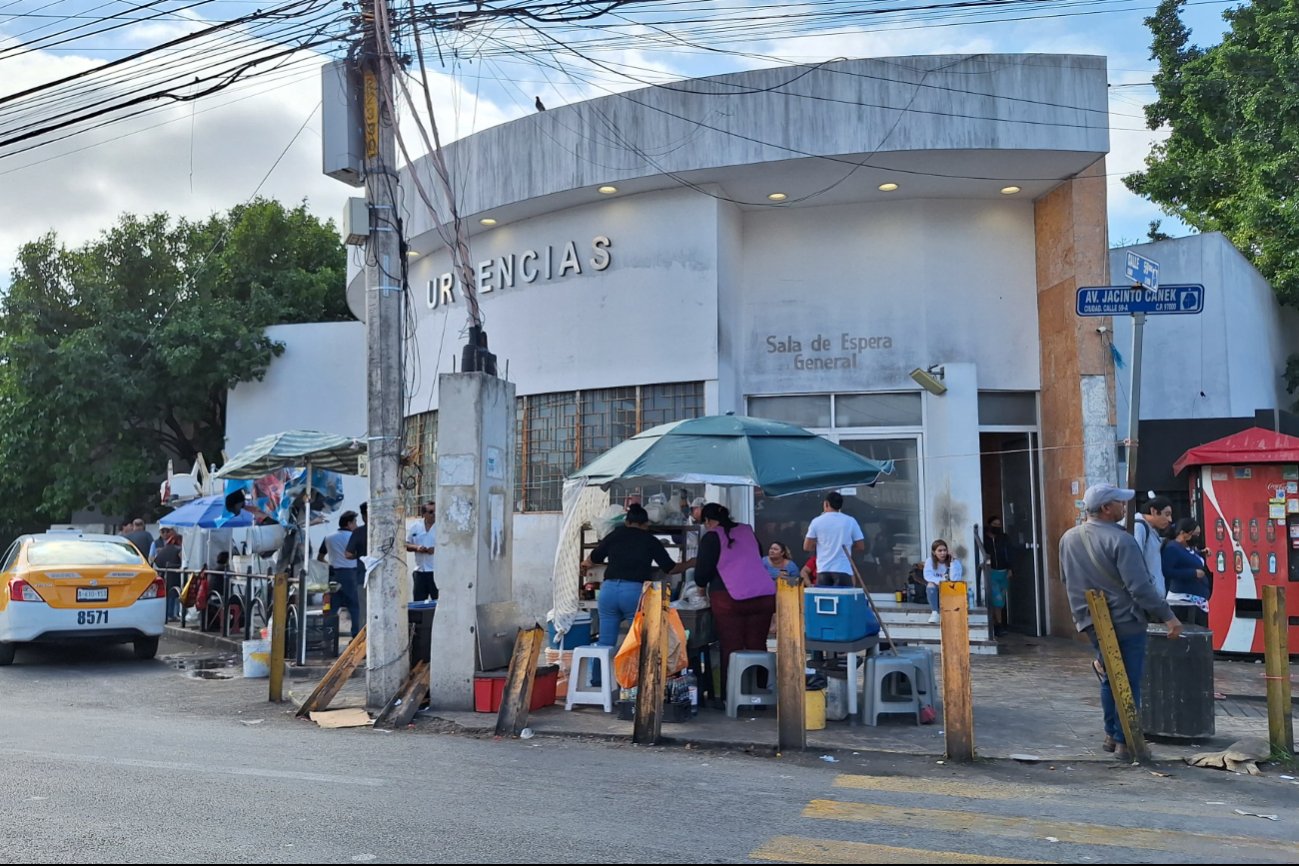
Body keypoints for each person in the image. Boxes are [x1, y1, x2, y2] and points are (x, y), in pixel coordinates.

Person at [1059, 483, 1182, 761]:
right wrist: (1168, 617)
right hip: (1125, 620)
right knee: (1129, 680)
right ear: (1105, 508)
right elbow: (1140, 587)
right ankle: (1126, 740)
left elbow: (1067, 581)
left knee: (1110, 677)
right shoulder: (1121, 540)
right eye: (1119, 503)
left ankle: (1111, 734)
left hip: (1090, 620)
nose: (1124, 507)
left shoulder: (1068, 538)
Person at [582, 503, 679, 685]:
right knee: (638, 641)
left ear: (627, 522)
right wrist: (691, 564)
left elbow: (593, 559)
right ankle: (635, 683)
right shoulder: (649, 540)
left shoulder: (615, 535)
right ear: (645, 524)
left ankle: (598, 682)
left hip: (608, 591)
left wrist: (585, 565)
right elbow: (670, 567)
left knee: (605, 642)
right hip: (633, 593)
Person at [693, 502, 776, 697]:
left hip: (729, 598)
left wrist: (700, 588)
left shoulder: (712, 536)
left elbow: (701, 574)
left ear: (708, 520)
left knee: (731, 647)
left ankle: (729, 695)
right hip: (764, 596)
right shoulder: (747, 531)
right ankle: (760, 693)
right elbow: (756, 556)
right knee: (757, 645)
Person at [803, 491, 864, 587]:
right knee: (843, 601)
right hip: (843, 569)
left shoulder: (816, 521)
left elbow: (806, 547)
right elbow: (861, 546)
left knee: (824, 600)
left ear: (826, 503)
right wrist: (848, 547)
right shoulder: (850, 521)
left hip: (823, 570)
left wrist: (821, 545)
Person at [1162, 517, 1211, 627]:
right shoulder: (1172, 548)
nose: (1197, 537)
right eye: (1195, 534)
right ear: (1183, 533)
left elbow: (1186, 557)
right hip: (1183, 603)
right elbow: (1167, 571)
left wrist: (1201, 553)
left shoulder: (1188, 547)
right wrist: (1193, 573)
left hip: (1197, 603)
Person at [318, 510, 359, 637]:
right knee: (354, 607)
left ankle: (328, 637)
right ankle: (355, 636)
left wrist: (330, 564)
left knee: (332, 608)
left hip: (333, 574)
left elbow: (320, 557)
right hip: (350, 575)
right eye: (355, 522)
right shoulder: (354, 537)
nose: (356, 525)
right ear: (349, 523)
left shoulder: (328, 537)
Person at [1134, 496, 1173, 597]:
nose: (1170, 519)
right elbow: (1135, 561)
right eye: (1167, 514)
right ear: (1153, 511)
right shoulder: (1139, 527)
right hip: (1147, 596)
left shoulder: (1150, 529)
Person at [983, 516, 1013, 636]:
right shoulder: (985, 538)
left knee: (1001, 600)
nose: (997, 526)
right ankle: (998, 625)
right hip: (991, 572)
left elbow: (1010, 553)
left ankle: (997, 623)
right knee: (997, 600)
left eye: (999, 524)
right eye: (994, 524)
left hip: (1003, 572)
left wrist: (1010, 568)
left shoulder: (1004, 538)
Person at [923, 539, 963, 624]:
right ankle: (935, 612)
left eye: (945, 550)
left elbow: (955, 579)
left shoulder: (955, 562)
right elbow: (928, 576)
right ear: (934, 552)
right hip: (937, 588)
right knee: (930, 585)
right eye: (939, 551)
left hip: (950, 588)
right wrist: (941, 582)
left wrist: (953, 562)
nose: (943, 553)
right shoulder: (929, 561)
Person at [406, 501, 438, 602]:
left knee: (437, 602)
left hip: (436, 571)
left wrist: (436, 550)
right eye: (431, 512)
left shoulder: (441, 527)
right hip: (420, 571)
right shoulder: (415, 527)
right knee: (418, 603)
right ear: (424, 514)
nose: (434, 514)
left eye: (436, 511)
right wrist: (417, 548)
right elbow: (405, 544)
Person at [151, 528, 183, 621]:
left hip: (164, 573)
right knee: (174, 595)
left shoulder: (163, 549)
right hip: (174, 574)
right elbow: (182, 560)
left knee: (167, 595)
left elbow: (156, 560)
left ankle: (166, 615)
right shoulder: (178, 549)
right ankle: (172, 614)